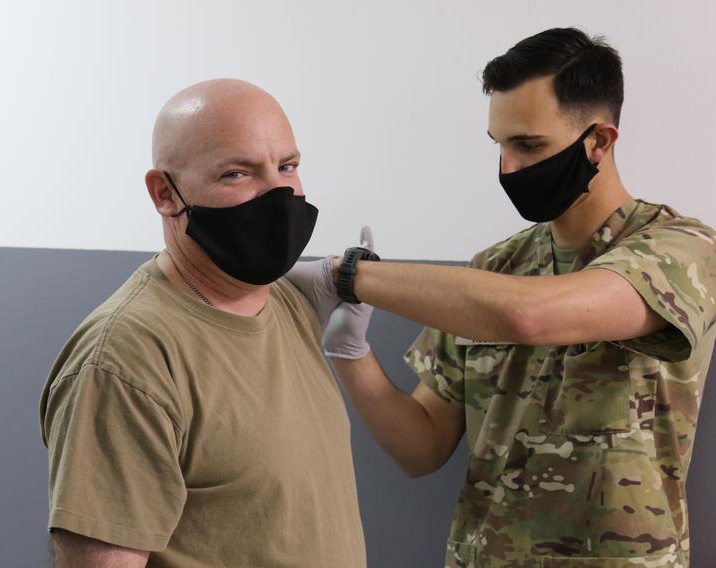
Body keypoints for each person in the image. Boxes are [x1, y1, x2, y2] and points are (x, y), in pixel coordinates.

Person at [289, 28, 715, 567]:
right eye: (500, 144)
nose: (508, 168)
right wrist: (351, 355)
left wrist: (346, 275)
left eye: (529, 145)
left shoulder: (682, 251)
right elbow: (419, 450)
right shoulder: (495, 269)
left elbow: (531, 316)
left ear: (600, 141)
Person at [38, 79, 366, 568]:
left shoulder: (287, 303)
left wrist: (361, 283)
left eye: (287, 166)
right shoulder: (127, 359)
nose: (279, 192)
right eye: (237, 173)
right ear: (164, 193)